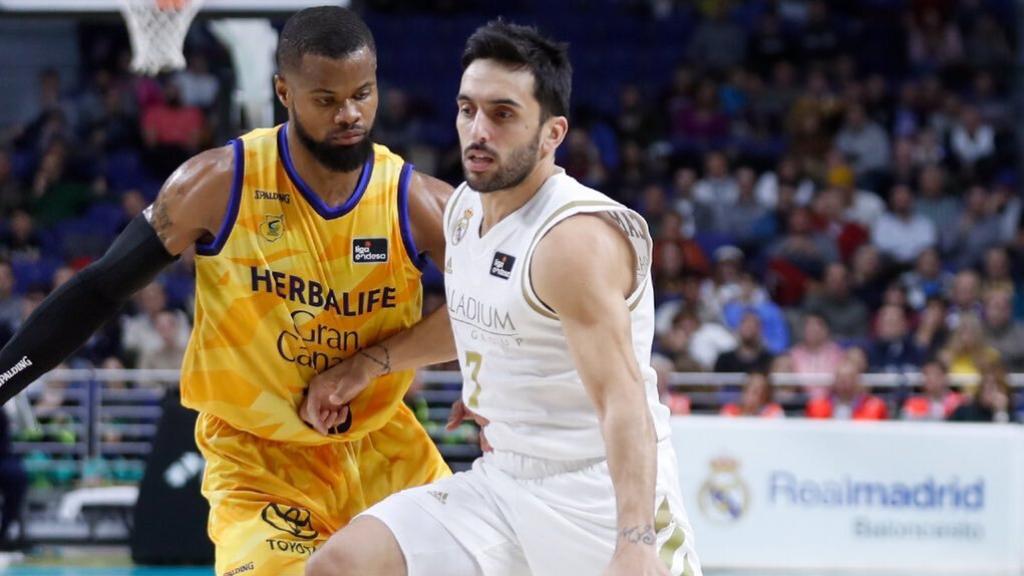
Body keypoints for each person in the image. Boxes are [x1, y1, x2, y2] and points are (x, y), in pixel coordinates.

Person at [0, 7, 453, 575]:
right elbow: (98, 290)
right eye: (327, 99)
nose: (350, 115)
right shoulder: (217, 185)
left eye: (363, 94)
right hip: (259, 461)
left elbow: (492, 312)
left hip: (386, 447)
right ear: (283, 91)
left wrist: (374, 363)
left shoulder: (416, 201)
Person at [303, 21, 701, 576]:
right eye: (468, 109)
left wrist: (635, 540)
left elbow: (623, 399)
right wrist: (370, 365)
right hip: (503, 483)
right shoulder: (465, 206)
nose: (478, 130)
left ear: (552, 133)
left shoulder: (573, 239)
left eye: (503, 114)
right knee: (341, 566)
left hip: (597, 493)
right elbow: (481, 313)